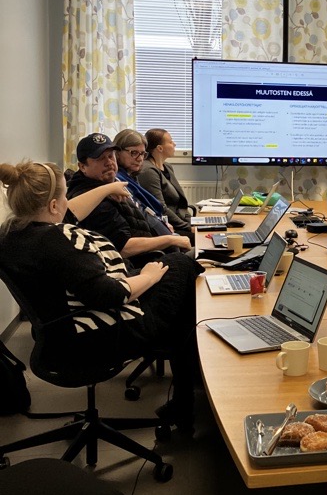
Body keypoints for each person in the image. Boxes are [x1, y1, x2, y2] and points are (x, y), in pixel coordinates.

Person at [0, 159, 202, 431]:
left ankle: (184, 399)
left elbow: (69, 212)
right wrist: (149, 276)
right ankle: (187, 395)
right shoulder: (58, 241)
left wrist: (108, 188)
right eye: (65, 196)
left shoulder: (12, 236)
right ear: (53, 206)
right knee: (181, 265)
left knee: (175, 299)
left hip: (58, 336)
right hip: (98, 336)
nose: (69, 203)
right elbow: (110, 294)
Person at [67, 133, 192, 263]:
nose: (109, 162)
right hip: (146, 263)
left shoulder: (112, 184)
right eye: (100, 158)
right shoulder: (93, 202)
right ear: (82, 166)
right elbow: (123, 248)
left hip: (161, 251)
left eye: (111, 156)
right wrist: (170, 240)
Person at [113, 128, 174, 232]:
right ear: (117, 152)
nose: (140, 159)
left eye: (142, 154)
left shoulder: (131, 176)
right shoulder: (117, 180)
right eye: (134, 153)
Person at [138, 128, 193, 240]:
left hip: (181, 221)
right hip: (170, 227)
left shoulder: (167, 166)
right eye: (170, 142)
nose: (174, 144)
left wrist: (193, 222)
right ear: (160, 148)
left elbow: (181, 203)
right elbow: (160, 208)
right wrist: (188, 227)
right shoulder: (148, 171)